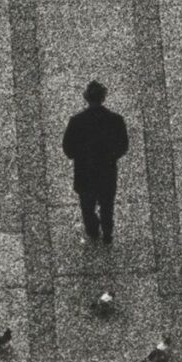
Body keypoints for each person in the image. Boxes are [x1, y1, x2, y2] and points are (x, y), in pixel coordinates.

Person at [61, 82, 130, 245]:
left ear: (86, 98)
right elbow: (123, 145)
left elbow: (68, 147)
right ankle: (107, 231)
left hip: (84, 171)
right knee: (107, 203)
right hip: (107, 170)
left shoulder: (76, 121)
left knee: (87, 205)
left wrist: (78, 155)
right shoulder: (116, 120)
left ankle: (93, 230)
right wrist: (111, 156)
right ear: (103, 97)